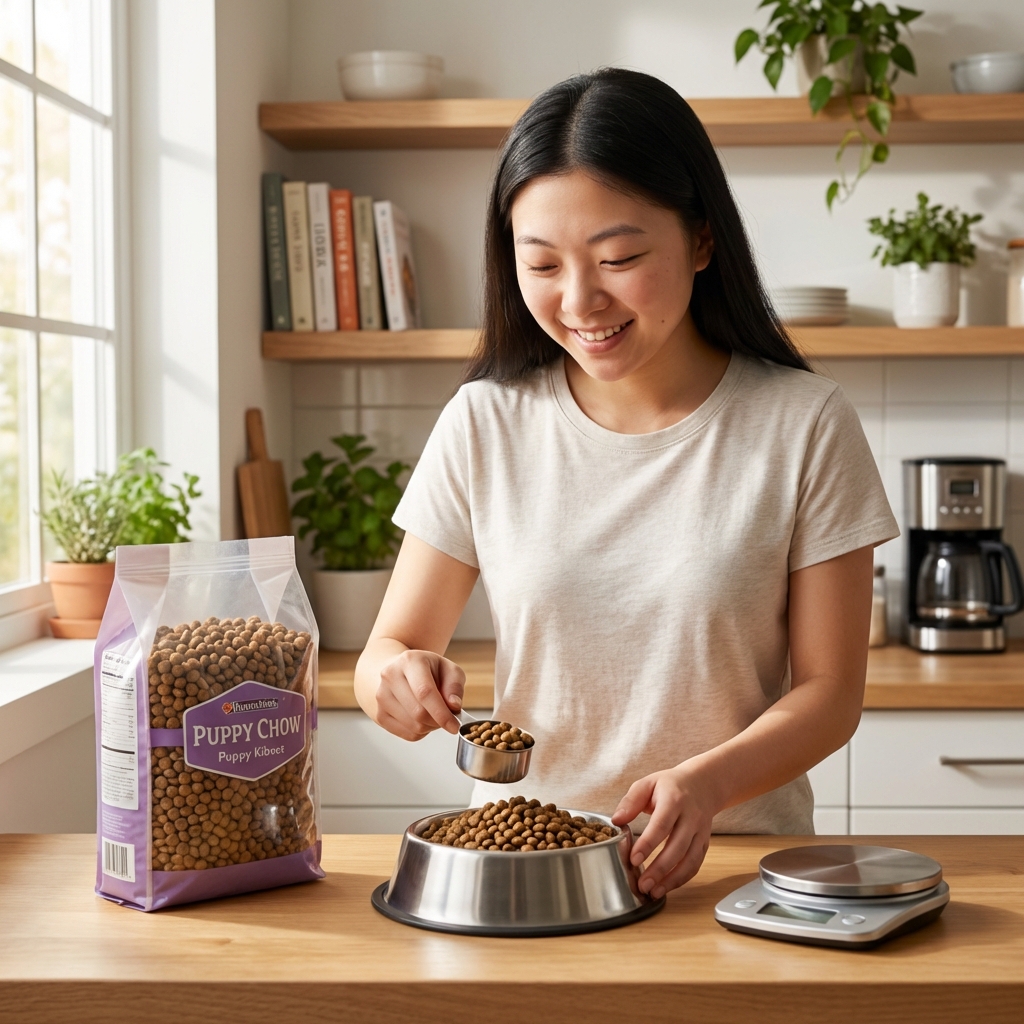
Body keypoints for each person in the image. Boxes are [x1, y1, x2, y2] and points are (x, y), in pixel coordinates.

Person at [354, 68, 898, 900]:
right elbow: (387, 650)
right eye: (541, 264)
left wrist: (708, 784)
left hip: (735, 871)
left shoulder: (805, 423)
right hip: (519, 867)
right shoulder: (484, 422)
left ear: (702, 241)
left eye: (619, 257)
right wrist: (394, 681)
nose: (580, 301)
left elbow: (831, 696)